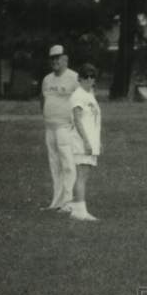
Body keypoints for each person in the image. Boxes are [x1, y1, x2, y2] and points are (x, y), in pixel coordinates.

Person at [40, 45, 79, 212]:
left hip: (66, 128)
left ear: (65, 59)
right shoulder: (47, 79)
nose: (55, 61)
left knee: (68, 164)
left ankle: (69, 202)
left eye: (58, 58)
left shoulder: (74, 77)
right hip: (50, 128)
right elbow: (42, 100)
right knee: (54, 164)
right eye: (52, 58)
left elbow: (83, 101)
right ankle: (56, 202)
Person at [68, 63, 102, 221]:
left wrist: (97, 141)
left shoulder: (90, 95)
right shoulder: (78, 95)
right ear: (79, 78)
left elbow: (94, 120)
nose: (89, 79)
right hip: (82, 141)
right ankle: (80, 211)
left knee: (84, 174)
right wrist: (86, 142)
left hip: (91, 141)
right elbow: (77, 120)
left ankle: (77, 208)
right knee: (81, 174)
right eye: (86, 76)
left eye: (92, 76)